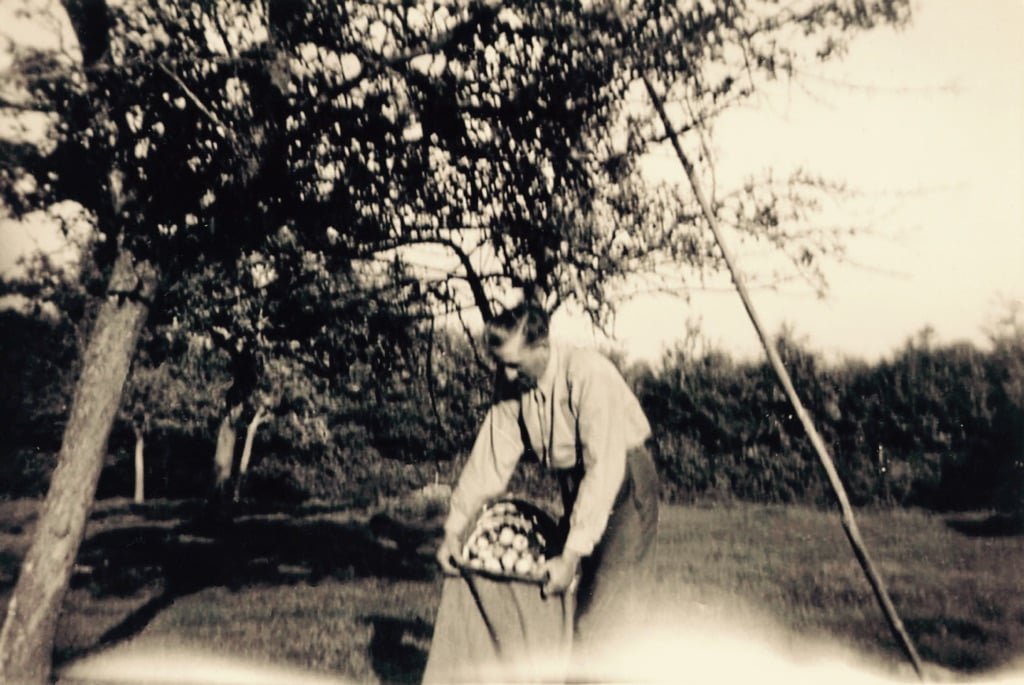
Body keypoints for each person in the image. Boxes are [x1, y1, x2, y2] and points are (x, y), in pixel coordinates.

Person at [435, 299, 660, 655]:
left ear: (542, 347)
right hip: (577, 481)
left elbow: (604, 469)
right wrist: (453, 530)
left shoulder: (587, 373)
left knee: (603, 614)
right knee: (567, 600)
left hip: (624, 479)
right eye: (500, 365)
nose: (507, 375)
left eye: (514, 364)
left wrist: (571, 555)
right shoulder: (512, 385)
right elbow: (489, 461)